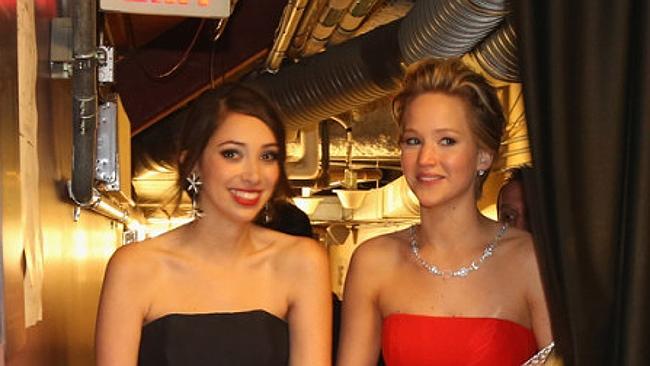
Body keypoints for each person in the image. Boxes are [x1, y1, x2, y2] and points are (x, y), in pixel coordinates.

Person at [95, 84, 332, 366]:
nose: (253, 175)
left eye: (267, 156)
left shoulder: (303, 262)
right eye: (231, 154)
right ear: (192, 164)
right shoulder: (134, 267)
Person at [337, 59, 553, 365]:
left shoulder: (530, 260)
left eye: (447, 141)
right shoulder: (374, 262)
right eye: (413, 141)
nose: (426, 158)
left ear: (483, 156)